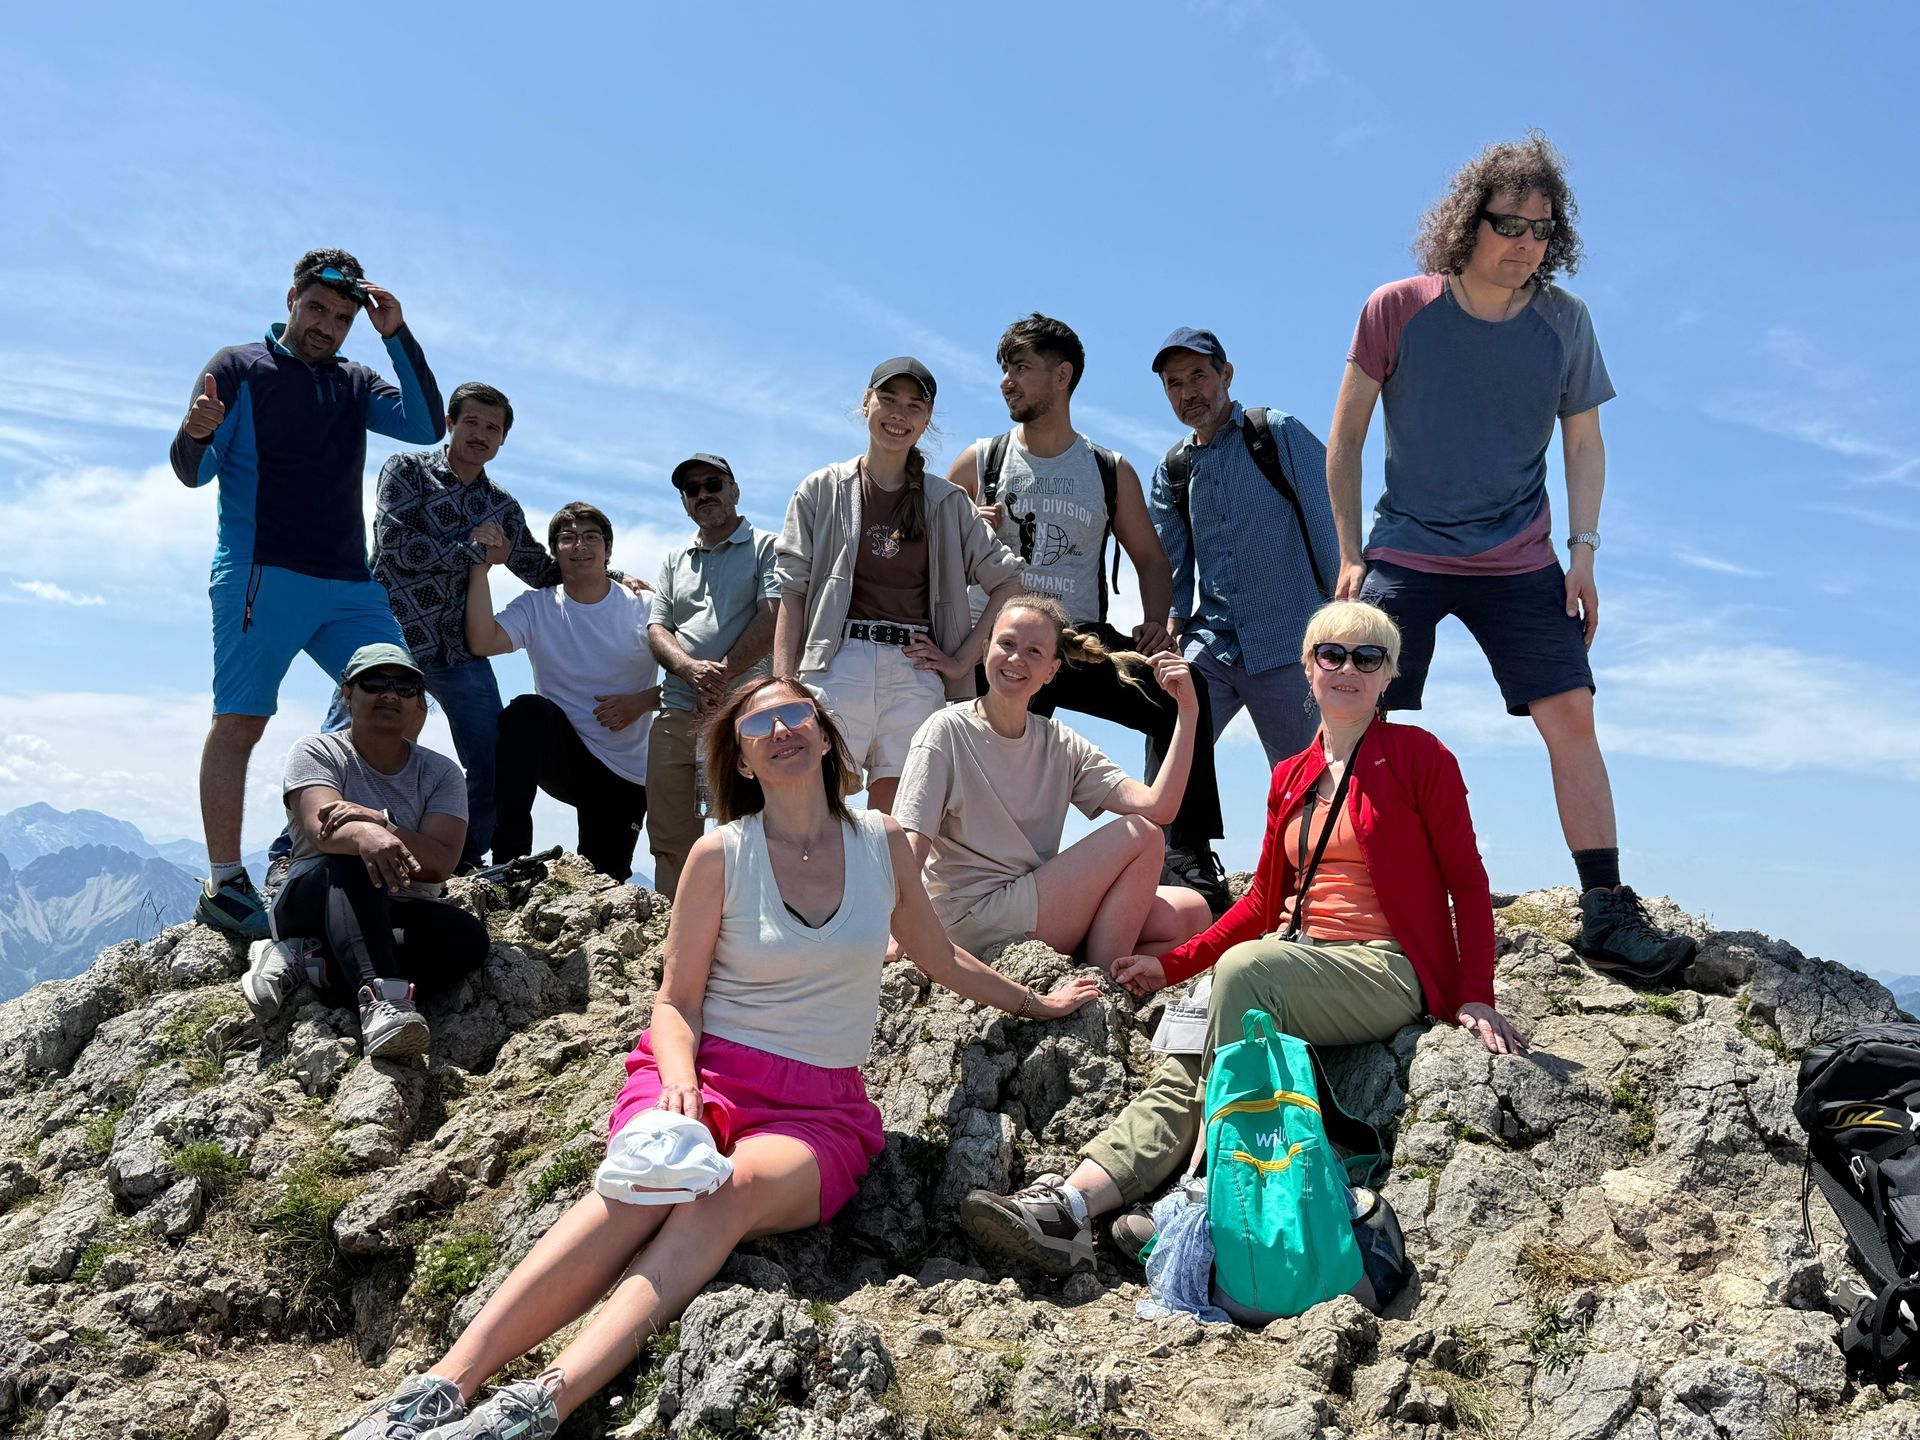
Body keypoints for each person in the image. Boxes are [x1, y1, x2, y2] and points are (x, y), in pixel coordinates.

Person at [339, 676, 1101, 1439]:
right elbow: (675, 1002)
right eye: (758, 725)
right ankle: (440, 1387)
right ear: (740, 760)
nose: (781, 729)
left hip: (817, 1110)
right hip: (704, 1075)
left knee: (725, 1192)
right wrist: (678, 1080)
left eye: (795, 713)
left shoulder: (885, 844)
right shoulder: (720, 854)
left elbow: (939, 955)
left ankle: (535, 1407)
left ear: (824, 734)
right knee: (644, 1186)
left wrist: (1034, 1003)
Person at [960, 601, 1528, 1277]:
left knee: (1245, 973)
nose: (1347, 668)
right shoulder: (1291, 774)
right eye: (1332, 654)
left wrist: (1475, 993)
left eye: (1367, 656)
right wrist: (1172, 966)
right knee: (1187, 1067)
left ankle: (1205, 1194)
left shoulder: (1419, 757)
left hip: (1383, 968)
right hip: (1292, 964)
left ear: (1389, 675)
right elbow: (1261, 902)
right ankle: (1069, 1205)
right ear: (1308, 669)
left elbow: (1467, 881)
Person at [1324, 132, 1694, 983]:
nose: (1526, 243)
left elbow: (1584, 444)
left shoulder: (1566, 322)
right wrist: (1348, 555)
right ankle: (1352, 897)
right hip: (1407, 547)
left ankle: (1605, 910)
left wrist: (1583, 554)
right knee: (1357, 708)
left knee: (1572, 713)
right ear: (1468, 223)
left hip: (1520, 556)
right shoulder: (1397, 308)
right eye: (1509, 224)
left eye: (1542, 228)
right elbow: (1345, 440)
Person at [170, 248, 443, 941]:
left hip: (349, 584)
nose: (327, 325)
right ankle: (225, 883)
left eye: (342, 318)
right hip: (261, 576)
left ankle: (330, 843)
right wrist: (195, 433)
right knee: (241, 722)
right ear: (292, 298)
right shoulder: (238, 367)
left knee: (400, 701)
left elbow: (425, 426)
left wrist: (395, 333)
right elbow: (191, 472)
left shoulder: (354, 381)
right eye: (317, 309)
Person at [946, 315, 1230, 914]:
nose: (1006, 381)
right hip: (997, 643)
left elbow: (1152, 560)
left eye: (1021, 368)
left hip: (1076, 641)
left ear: (1062, 376)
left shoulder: (1107, 469)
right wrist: (969, 535)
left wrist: (1156, 623)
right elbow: (933, 557)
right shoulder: (979, 462)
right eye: (1005, 369)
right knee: (975, 750)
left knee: (1179, 688)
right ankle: (962, 880)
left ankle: (1186, 854)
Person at [894, 594, 1212, 972]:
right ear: (985, 649)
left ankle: (1084, 964)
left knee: (1192, 913)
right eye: (1007, 643)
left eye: (1034, 651)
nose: (1016, 659)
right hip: (969, 919)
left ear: (1051, 671)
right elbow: (910, 844)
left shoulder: (1059, 743)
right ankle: (1103, 980)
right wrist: (893, 931)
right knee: (1143, 835)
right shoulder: (945, 730)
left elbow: (1160, 806)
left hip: (1037, 905)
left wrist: (1188, 712)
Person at [773, 357, 1023, 812]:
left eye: (914, 406)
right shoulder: (821, 489)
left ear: (927, 420)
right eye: (888, 399)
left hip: (915, 673)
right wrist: (782, 685)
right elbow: (792, 591)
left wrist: (960, 661)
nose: (899, 415)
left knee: (897, 825)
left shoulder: (947, 502)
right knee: (812, 810)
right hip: (835, 663)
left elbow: (1008, 582)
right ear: (866, 403)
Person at [239, 644, 487, 1060]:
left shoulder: (441, 772)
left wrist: (382, 825)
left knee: (468, 940)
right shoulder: (317, 751)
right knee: (354, 860)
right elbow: (323, 830)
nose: (390, 694)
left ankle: (310, 959)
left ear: (419, 704)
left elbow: (441, 862)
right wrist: (366, 837)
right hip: (315, 897)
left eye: (405, 687)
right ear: (347, 694)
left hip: (398, 907)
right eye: (374, 682)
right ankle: (382, 1002)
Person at [1148, 327, 1341, 770]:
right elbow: (1174, 569)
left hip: (1291, 642)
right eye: (1174, 384)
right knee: (1165, 743)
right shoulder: (1172, 470)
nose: (1187, 393)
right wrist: (1169, 632)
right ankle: (1172, 823)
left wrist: (1344, 628)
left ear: (1227, 375)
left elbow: (1329, 528)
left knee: (1307, 779)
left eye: (1198, 376)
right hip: (1212, 644)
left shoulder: (1277, 433)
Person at [465, 502, 660, 882]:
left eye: (591, 537)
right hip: (564, 757)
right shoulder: (537, 606)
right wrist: (479, 566)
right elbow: (482, 640)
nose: (580, 546)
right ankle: (508, 861)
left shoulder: (645, 606)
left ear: (607, 550)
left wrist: (640, 703)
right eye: (568, 538)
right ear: (554, 551)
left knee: (606, 880)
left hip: (625, 770)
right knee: (525, 713)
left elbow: (694, 673)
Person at [646, 453, 779, 899]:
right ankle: (674, 924)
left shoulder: (767, 546)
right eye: (692, 489)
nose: (703, 494)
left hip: (745, 716)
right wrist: (690, 670)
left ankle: (750, 924)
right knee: (669, 835)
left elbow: (773, 615)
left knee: (750, 827)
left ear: (734, 491)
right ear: (685, 502)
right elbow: (657, 628)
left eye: (713, 484)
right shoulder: (673, 559)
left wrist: (718, 676)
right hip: (678, 713)